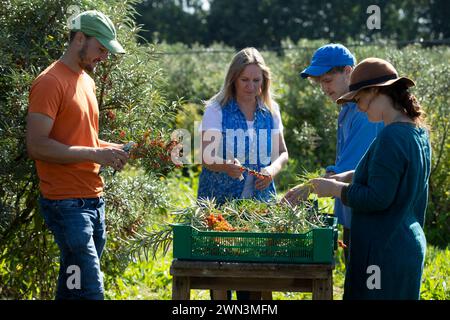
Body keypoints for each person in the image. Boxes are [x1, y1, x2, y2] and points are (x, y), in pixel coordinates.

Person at [26, 10, 128, 300]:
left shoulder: (86, 81)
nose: (104, 56)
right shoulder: (49, 82)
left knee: (73, 286)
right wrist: (96, 153)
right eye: (100, 48)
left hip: (94, 200)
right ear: (80, 39)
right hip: (66, 204)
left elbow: (83, 139)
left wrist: (111, 150)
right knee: (92, 291)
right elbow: (37, 145)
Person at [310, 58, 431, 299]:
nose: (360, 108)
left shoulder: (391, 137)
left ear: (376, 91)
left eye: (360, 99)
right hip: (405, 247)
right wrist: (342, 178)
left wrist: (334, 189)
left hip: (385, 253)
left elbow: (377, 197)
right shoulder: (416, 132)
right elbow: (379, 174)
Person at [198, 47, 289, 300]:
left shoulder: (270, 111)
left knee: (258, 271)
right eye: (245, 80)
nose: (250, 86)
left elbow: (282, 153)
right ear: (233, 79)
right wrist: (226, 165)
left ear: (264, 81)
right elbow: (206, 157)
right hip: (221, 199)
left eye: (256, 80)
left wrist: (271, 170)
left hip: (259, 200)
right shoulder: (217, 109)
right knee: (221, 272)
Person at [283, 44, 383, 261]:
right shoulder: (347, 110)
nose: (324, 88)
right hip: (352, 215)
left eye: (327, 80)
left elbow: (351, 170)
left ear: (348, 71)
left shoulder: (364, 114)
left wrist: (308, 188)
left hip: (368, 220)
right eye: (320, 83)